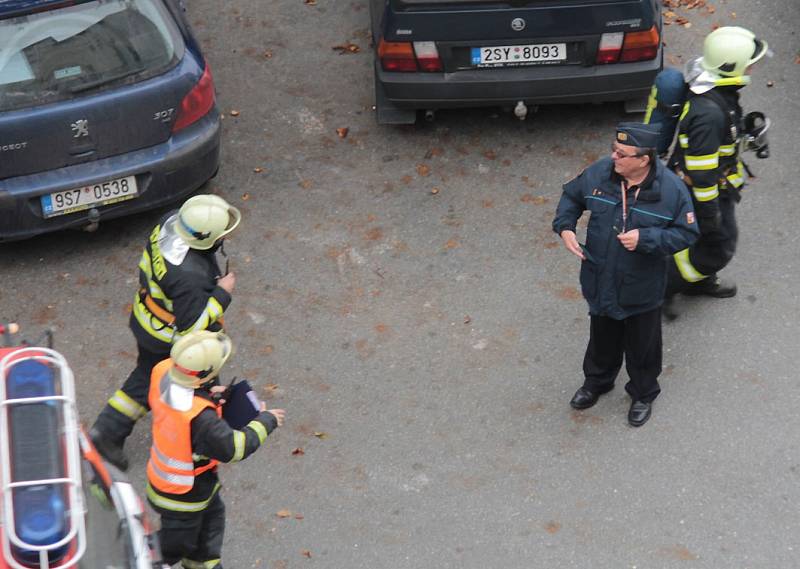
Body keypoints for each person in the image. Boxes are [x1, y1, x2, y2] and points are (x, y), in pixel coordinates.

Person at [552, 123, 699, 426]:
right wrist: (565, 227)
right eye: (613, 149)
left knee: (643, 346)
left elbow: (687, 233)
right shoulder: (600, 173)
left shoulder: (671, 191)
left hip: (641, 288)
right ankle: (597, 381)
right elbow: (571, 197)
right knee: (602, 337)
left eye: (622, 153)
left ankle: (643, 393)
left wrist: (646, 240)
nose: (613, 157)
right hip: (599, 278)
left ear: (644, 159)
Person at [90, 194, 241, 471]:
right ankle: (111, 433)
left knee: (148, 376)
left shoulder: (171, 222)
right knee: (173, 378)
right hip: (166, 337)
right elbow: (192, 327)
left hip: (147, 319)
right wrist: (222, 295)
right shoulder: (190, 276)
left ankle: (109, 431)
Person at [146, 330, 286, 569]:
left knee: (209, 529)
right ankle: (137, 559)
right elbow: (235, 448)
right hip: (184, 495)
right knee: (175, 545)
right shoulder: (203, 421)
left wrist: (209, 395)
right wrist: (265, 421)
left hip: (181, 486)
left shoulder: (164, 372)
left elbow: (183, 398)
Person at [662, 27, 770, 318]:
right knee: (719, 246)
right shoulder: (708, 114)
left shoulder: (717, 90)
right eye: (749, 62)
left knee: (695, 240)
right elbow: (701, 171)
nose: (753, 66)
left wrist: (742, 130)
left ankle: (697, 280)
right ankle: (667, 286)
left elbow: (719, 140)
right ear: (731, 66)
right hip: (703, 192)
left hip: (709, 186)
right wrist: (710, 216)